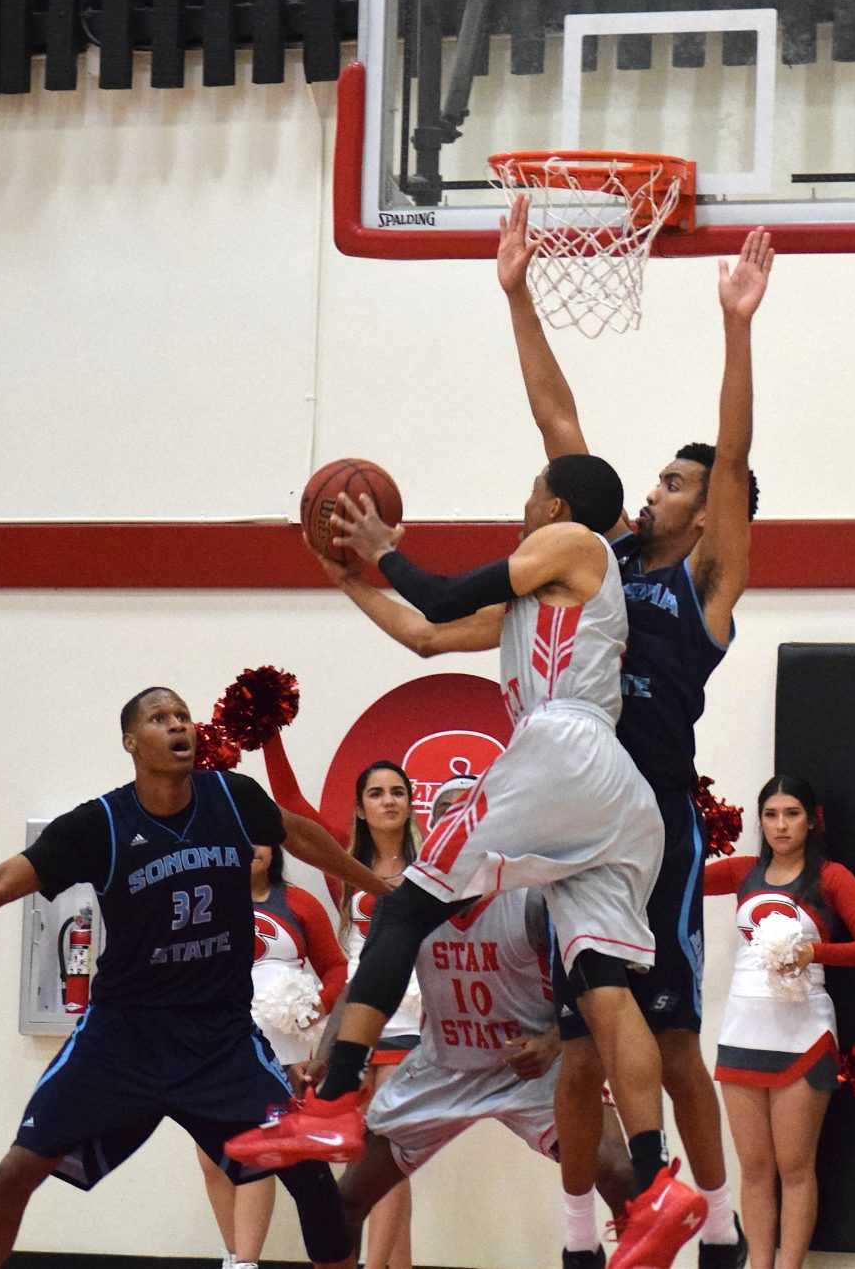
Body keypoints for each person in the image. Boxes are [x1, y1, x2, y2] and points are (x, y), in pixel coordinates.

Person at [275, 456, 707, 1269]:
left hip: (563, 749)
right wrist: (348, 580)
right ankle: (656, 1187)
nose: (520, 507)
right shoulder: (536, 603)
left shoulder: (576, 543)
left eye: (528, 495)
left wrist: (380, 544)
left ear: (555, 501)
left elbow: (439, 593)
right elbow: (427, 632)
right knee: (606, 987)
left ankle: (334, 1100)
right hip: (610, 796)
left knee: (404, 907)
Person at [0, 687, 386, 1269]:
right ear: (131, 742)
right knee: (16, 1172)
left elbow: (300, 833)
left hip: (219, 1039)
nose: (179, 727)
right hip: (122, 1037)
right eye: (160, 718)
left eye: (183, 717)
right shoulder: (98, 825)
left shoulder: (233, 796)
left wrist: (376, 886)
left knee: (312, 1177)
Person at [499, 199, 767, 1269]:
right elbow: (559, 430)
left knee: (673, 1042)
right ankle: (579, 1238)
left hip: (654, 818)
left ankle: (718, 1223)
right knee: (577, 1050)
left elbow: (737, 460)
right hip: (578, 822)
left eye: (672, 480)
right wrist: (519, 295)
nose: (652, 489)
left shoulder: (706, 585)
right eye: (654, 478)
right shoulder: (599, 557)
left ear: (708, 513)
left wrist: (736, 326)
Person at [324, 786, 640, 1236]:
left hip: (535, 1070)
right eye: (448, 818)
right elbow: (362, 983)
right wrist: (326, 1051)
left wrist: (552, 1043)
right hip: (445, 1067)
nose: (461, 830)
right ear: (433, 832)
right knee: (343, 1203)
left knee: (622, 1175)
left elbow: (590, 986)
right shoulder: (407, 904)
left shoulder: (533, 897)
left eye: (472, 818)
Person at [706, 776, 855, 1269]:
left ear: (812, 819)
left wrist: (814, 952)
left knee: (795, 1167)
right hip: (742, 1031)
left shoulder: (832, 878)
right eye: (770, 815)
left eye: (791, 814)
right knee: (755, 1169)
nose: (780, 825)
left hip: (803, 1033)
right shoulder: (744, 872)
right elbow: (673, 875)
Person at [198, 841, 346, 1269]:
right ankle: (234, 1256)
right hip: (216, 1049)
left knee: (259, 1153)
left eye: (259, 838)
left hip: (282, 1054)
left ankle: (247, 1261)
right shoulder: (202, 902)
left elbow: (335, 967)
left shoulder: (298, 903)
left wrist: (318, 1006)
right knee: (213, 1159)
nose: (249, 848)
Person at [339, 762, 422, 1269]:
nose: (389, 800)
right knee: (367, 1157)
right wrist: (270, 733)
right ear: (360, 807)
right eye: (376, 792)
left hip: (411, 1015)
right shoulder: (346, 867)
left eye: (398, 792)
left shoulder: (432, 866)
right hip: (355, 1021)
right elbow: (292, 809)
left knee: (390, 1152)